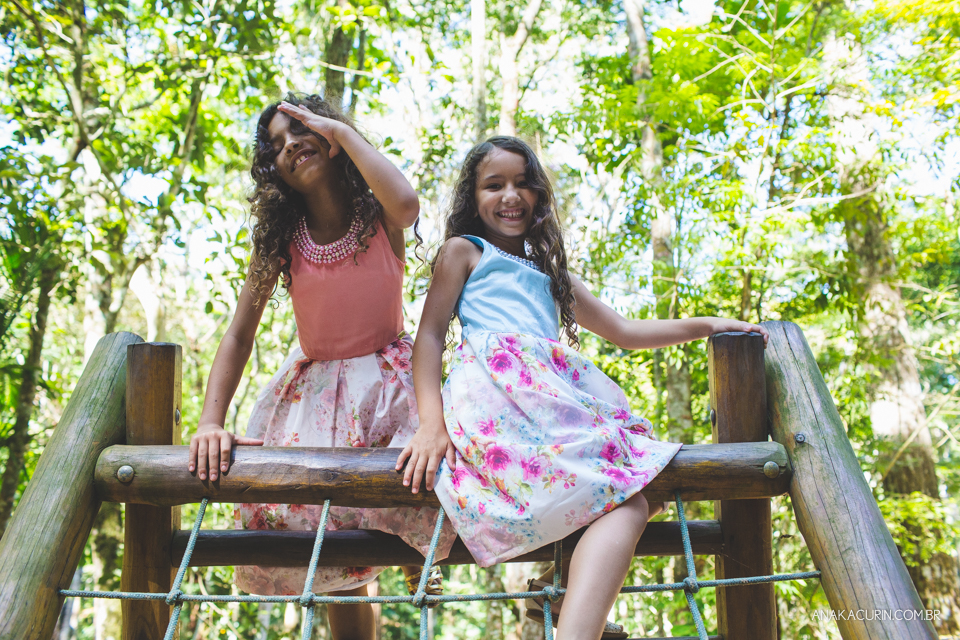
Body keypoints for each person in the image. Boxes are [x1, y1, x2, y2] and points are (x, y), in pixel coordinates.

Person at [396, 136, 768, 640]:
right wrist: (430, 425)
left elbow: (627, 332)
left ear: (540, 197)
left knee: (642, 479)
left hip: (553, 398)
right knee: (630, 496)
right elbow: (429, 339)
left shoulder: (552, 276)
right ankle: (566, 608)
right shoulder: (465, 251)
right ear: (472, 199)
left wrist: (710, 324)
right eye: (495, 185)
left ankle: (558, 590)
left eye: (524, 183)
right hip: (500, 398)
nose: (512, 195)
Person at [187, 93, 451, 640]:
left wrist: (343, 133)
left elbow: (409, 204)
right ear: (273, 171)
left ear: (331, 136)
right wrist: (211, 420)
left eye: (301, 130)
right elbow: (239, 333)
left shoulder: (380, 216)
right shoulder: (282, 242)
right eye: (277, 146)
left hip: (388, 391)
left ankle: (409, 548)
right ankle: (386, 563)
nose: (291, 146)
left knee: (421, 479)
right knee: (339, 566)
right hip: (317, 401)